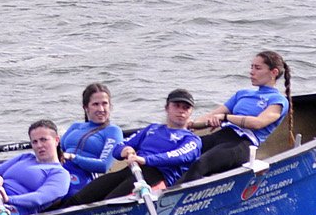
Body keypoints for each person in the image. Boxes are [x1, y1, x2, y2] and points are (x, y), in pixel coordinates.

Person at [46, 89, 204, 208]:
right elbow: (119, 146)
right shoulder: (152, 129)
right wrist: (125, 150)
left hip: (155, 178)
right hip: (131, 170)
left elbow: (178, 156)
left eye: (186, 108)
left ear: (191, 112)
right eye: (177, 106)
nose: (181, 111)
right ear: (167, 108)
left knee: (107, 204)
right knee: (80, 199)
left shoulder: (191, 139)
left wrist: (145, 159)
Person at [180, 50, 293, 181]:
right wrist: (189, 125)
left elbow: (257, 123)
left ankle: (171, 198)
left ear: (274, 73)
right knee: (181, 153)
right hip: (222, 135)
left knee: (199, 164)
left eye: (257, 68)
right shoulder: (242, 94)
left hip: (242, 145)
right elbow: (212, 115)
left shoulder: (278, 101)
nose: (252, 72)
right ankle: (156, 192)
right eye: (251, 67)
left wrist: (226, 117)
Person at [59, 82, 124, 195]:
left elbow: (103, 165)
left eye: (105, 104)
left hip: (83, 178)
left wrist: (72, 157)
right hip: (60, 171)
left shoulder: (112, 131)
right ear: (85, 108)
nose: (101, 109)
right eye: (95, 104)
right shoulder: (75, 126)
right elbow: (58, 151)